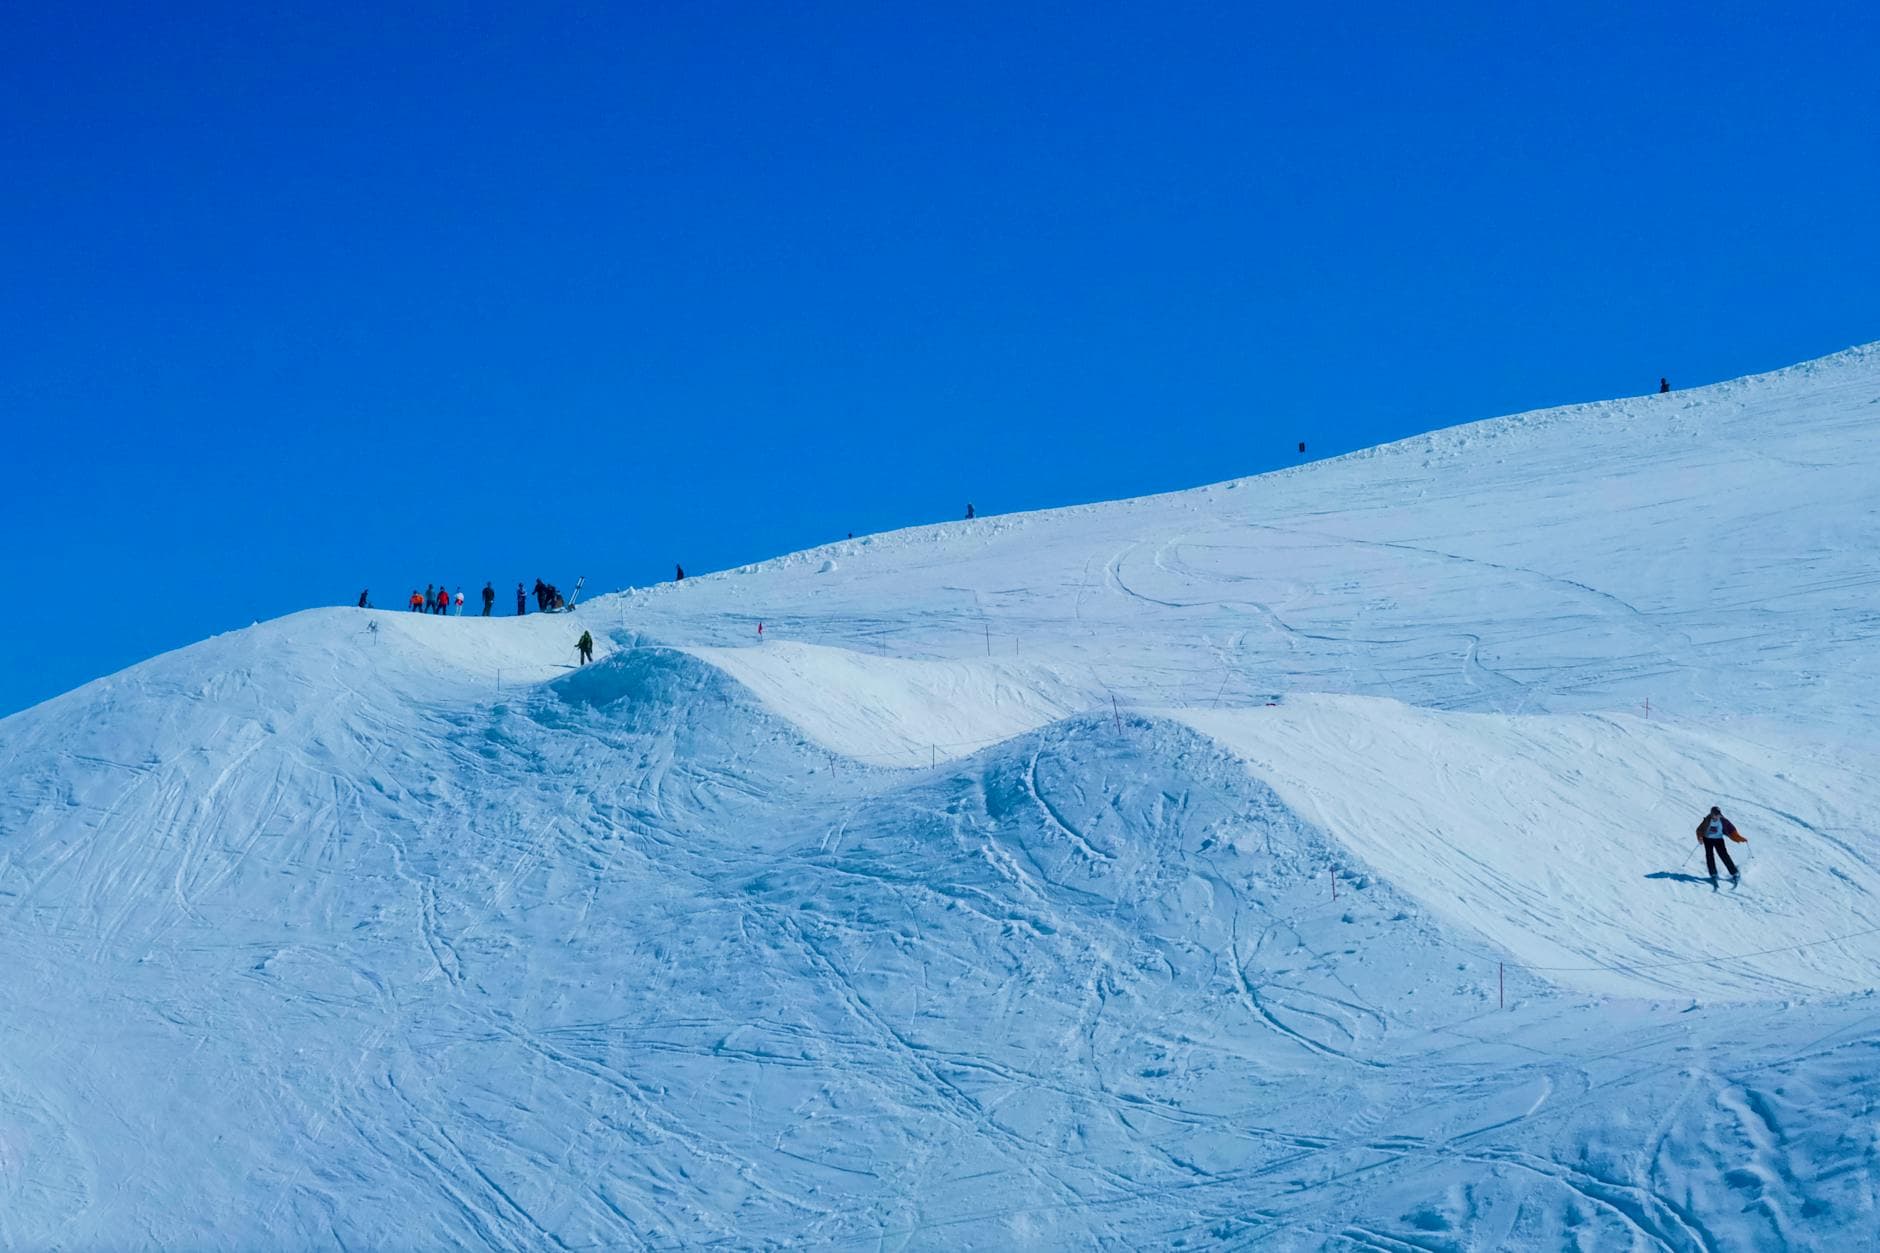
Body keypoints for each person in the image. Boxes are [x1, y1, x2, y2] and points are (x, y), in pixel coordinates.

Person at [1695, 805, 1747, 884]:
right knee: (1709, 856)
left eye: (1718, 814)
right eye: (1715, 814)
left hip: (1718, 839)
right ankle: (1713, 873)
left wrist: (1738, 837)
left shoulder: (1723, 820)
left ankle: (1734, 873)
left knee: (1724, 855)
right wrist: (1700, 837)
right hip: (1708, 839)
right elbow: (1699, 830)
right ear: (1712, 814)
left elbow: (1731, 830)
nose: (1717, 816)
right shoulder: (1707, 820)